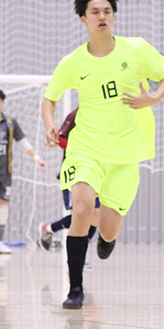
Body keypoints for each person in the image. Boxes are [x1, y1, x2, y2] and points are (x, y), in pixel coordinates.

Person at [41, 0, 164, 309]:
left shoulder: (136, 49)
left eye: (107, 11)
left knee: (110, 228)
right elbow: (49, 98)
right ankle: (75, 289)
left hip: (125, 153)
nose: (102, 16)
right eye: (95, 12)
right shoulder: (73, 62)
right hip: (85, 148)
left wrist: (153, 98)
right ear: (83, 19)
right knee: (81, 210)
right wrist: (49, 124)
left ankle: (106, 239)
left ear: (113, 16)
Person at [38, 108, 100, 251]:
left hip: (95, 171)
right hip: (75, 172)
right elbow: (60, 139)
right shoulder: (76, 114)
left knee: (96, 214)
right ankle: (50, 229)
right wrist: (83, 149)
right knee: (82, 213)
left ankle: (52, 229)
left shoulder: (104, 114)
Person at [0, 90, 48, 254]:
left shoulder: (10, 123)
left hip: (4, 173)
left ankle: (0, 241)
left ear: (3, 103)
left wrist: (37, 158)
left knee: (2, 205)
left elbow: (22, 142)